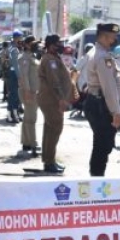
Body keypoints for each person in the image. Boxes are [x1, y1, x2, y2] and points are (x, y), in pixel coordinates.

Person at [83, 23, 120, 176]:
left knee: (101, 144)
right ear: (104, 36)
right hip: (101, 104)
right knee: (102, 145)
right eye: (112, 38)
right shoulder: (103, 57)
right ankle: (97, 178)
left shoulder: (95, 52)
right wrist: (116, 112)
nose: (114, 41)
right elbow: (109, 87)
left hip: (95, 101)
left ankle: (96, 176)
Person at [37, 34, 73, 174]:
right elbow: (54, 82)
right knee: (55, 129)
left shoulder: (53, 58)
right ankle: (49, 162)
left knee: (50, 129)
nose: (60, 45)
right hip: (51, 100)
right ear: (51, 45)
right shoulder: (50, 60)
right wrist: (61, 99)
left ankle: (48, 160)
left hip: (51, 99)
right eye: (58, 43)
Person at [18, 36, 40, 157]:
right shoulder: (24, 58)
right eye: (33, 43)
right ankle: (33, 143)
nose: (35, 46)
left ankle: (26, 142)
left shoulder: (32, 57)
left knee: (28, 117)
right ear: (27, 45)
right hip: (29, 91)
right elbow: (24, 76)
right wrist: (27, 91)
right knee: (31, 119)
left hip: (33, 91)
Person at [6, 30, 24, 123]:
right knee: (14, 95)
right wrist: (19, 77)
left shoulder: (13, 47)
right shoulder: (14, 49)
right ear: (16, 38)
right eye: (20, 37)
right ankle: (12, 115)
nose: (21, 39)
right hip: (14, 73)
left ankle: (13, 114)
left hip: (13, 73)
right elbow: (16, 65)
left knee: (14, 95)